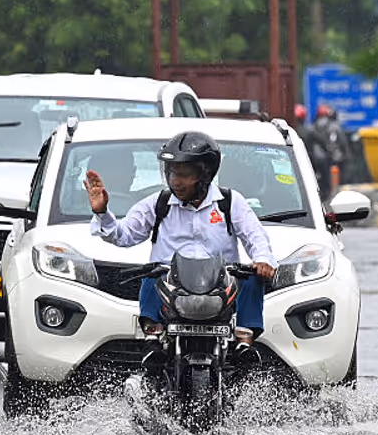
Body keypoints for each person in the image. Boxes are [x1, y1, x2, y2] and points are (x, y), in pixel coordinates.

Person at [84, 131, 276, 355]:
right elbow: (123, 235)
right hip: (172, 290)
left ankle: (244, 341)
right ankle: (152, 337)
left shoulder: (231, 202)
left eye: (184, 174)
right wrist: (102, 212)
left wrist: (262, 260)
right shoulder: (158, 203)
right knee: (151, 273)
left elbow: (256, 236)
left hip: (221, 290)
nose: (176, 181)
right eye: (173, 173)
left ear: (205, 175)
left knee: (252, 276)